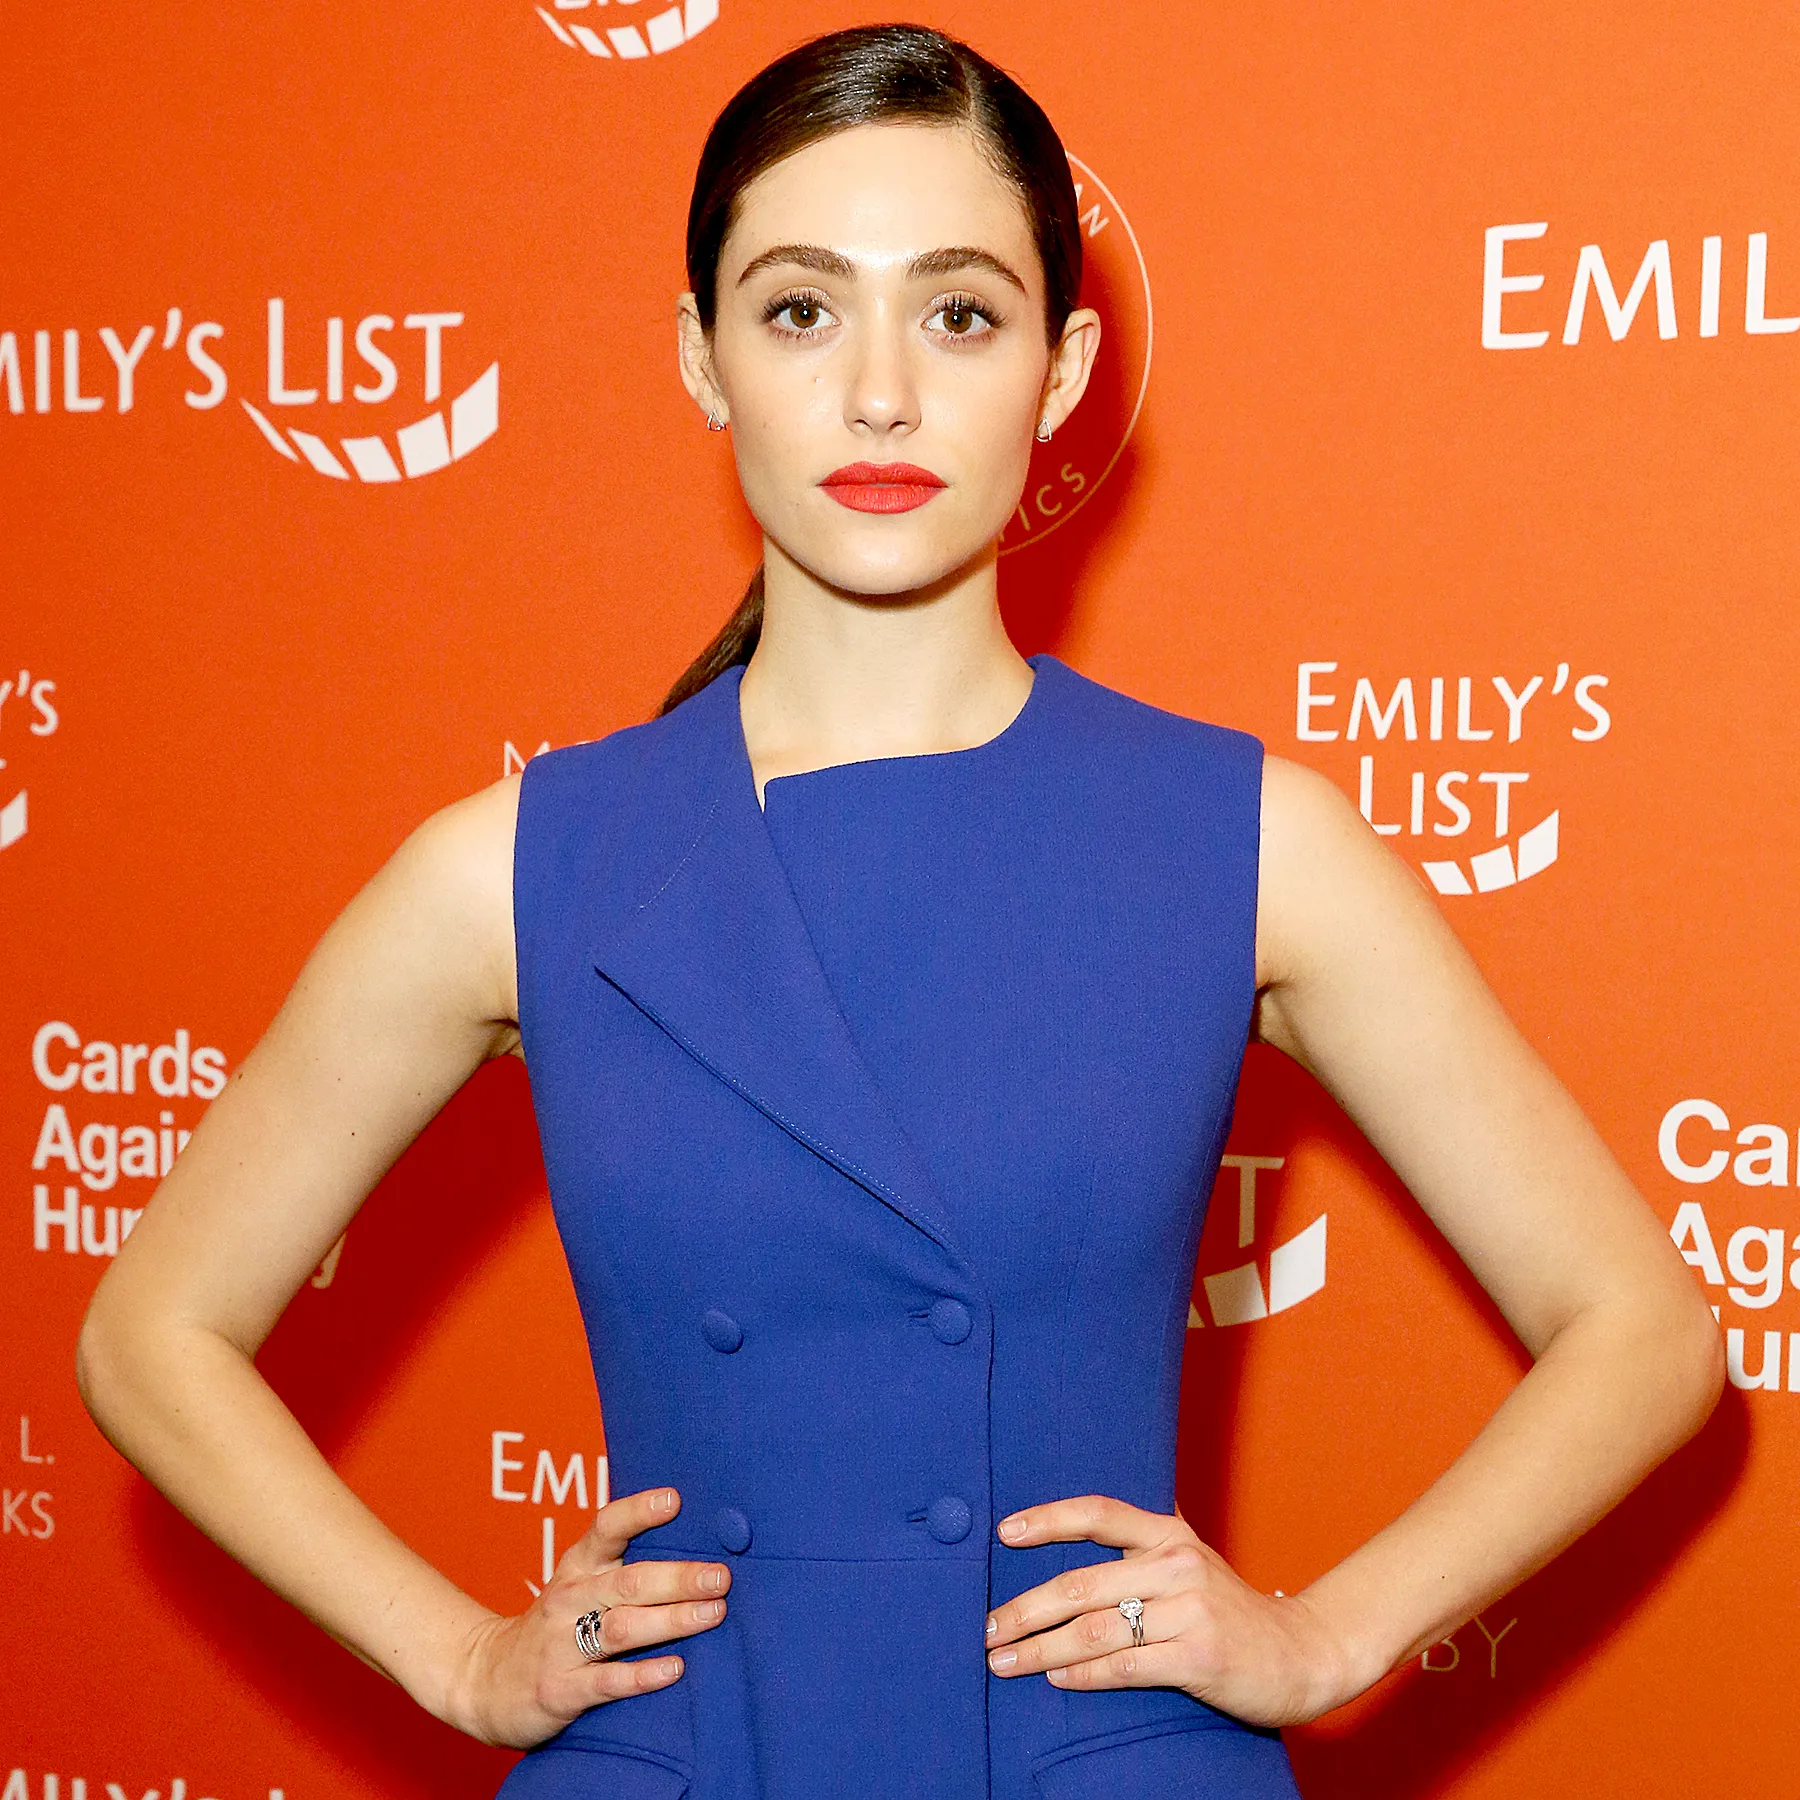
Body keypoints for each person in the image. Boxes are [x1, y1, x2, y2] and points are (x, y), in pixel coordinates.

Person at [76, 23, 1723, 1800]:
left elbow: (1641, 1330)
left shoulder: (1244, 840)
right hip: (692, 1754)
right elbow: (151, 1334)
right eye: (800, 309)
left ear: (1062, 370)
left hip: (1096, 1760)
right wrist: (455, 1654)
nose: (880, 394)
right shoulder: (523, 865)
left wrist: (1328, 1634)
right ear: (700, 357)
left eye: (958, 314)